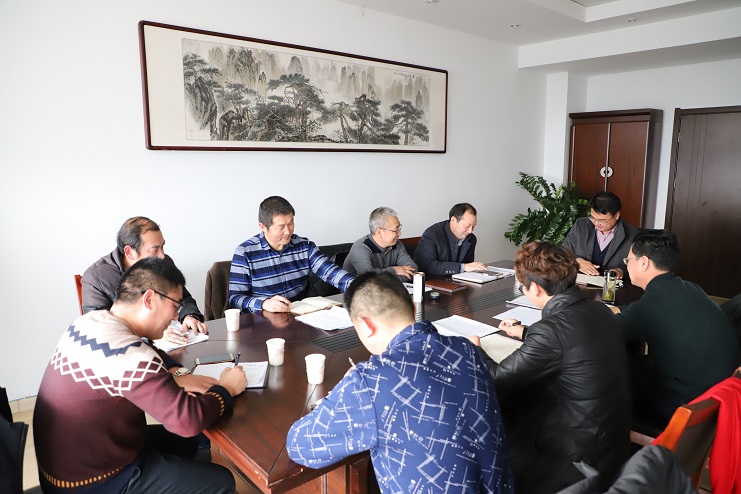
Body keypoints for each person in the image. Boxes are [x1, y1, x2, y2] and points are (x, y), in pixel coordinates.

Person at [286, 271, 514, 493]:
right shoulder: (468, 349)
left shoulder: (372, 381)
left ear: (365, 326)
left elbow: (300, 445)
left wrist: (345, 389)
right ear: (413, 308)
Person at [34, 257, 248, 494]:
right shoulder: (133, 357)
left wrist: (175, 372)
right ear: (149, 299)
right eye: (175, 306)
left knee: (195, 441)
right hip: (95, 483)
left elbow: (144, 348)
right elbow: (187, 421)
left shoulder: (88, 322)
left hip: (70, 466)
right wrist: (227, 388)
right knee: (222, 480)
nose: (175, 317)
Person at [475, 241, 630, 494]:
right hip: (612, 446)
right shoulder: (599, 309)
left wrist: (475, 349)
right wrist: (525, 332)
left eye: (522, 287)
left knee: (497, 414)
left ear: (536, 288)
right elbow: (570, 341)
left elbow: (494, 379)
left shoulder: (550, 332)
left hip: (574, 460)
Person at [611, 229, 741, 426]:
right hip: (721, 396)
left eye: (628, 260)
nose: (626, 265)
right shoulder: (689, 287)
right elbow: (648, 311)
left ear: (643, 262)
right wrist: (621, 311)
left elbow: (607, 330)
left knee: (616, 364)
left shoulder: (653, 304)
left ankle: (616, 432)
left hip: (688, 406)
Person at [81, 216, 207, 345]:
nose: (162, 256)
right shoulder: (95, 277)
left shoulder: (163, 263)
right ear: (129, 252)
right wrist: (152, 334)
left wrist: (189, 316)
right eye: (155, 249)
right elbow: (99, 330)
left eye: (162, 247)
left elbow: (182, 298)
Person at [229, 196, 354, 313]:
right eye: (281, 227)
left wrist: (358, 287)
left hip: (298, 314)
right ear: (263, 227)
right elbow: (234, 298)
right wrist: (264, 303)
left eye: (290, 223)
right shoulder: (245, 252)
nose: (288, 231)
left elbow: (330, 272)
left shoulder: (304, 246)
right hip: (263, 318)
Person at [562, 191, 639, 280]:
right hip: (579, 285)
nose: (596, 223)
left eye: (602, 220)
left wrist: (620, 272)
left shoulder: (633, 236)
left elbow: (638, 268)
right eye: (593, 218)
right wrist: (577, 261)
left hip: (612, 287)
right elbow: (562, 253)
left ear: (617, 215)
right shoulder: (580, 226)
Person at [343, 206, 417, 281]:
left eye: (399, 228)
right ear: (379, 232)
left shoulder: (396, 244)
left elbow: (413, 270)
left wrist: (385, 278)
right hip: (358, 288)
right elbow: (369, 278)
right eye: (395, 230)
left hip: (388, 287)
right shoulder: (360, 248)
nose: (400, 233)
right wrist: (395, 270)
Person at [414, 202, 488, 275]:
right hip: (433, 280)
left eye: (473, 226)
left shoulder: (471, 239)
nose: (470, 231)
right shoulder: (432, 234)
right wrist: (463, 267)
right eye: (467, 226)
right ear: (453, 220)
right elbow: (427, 266)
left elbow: (469, 266)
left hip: (457, 279)